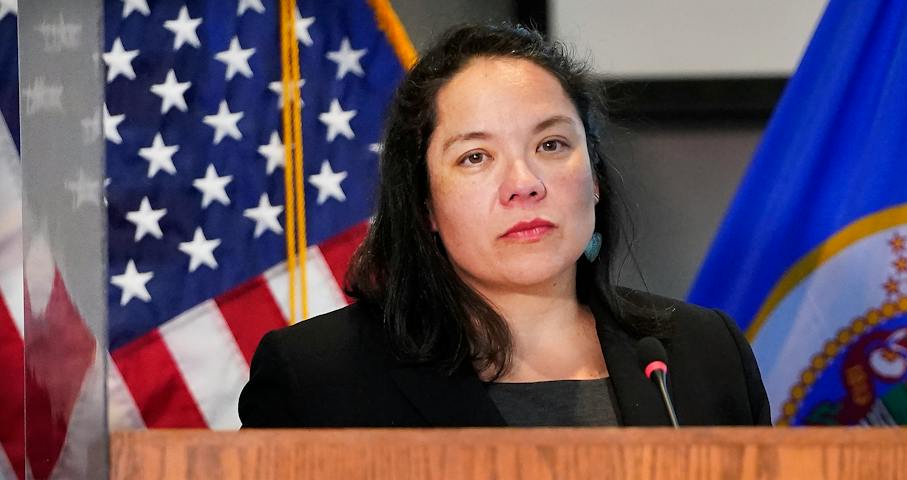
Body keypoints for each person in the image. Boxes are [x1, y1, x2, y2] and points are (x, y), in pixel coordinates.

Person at [238, 24, 770, 428]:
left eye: (551, 145)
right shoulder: (318, 379)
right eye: (475, 157)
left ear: (596, 177)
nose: (525, 183)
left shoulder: (702, 354)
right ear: (424, 203)